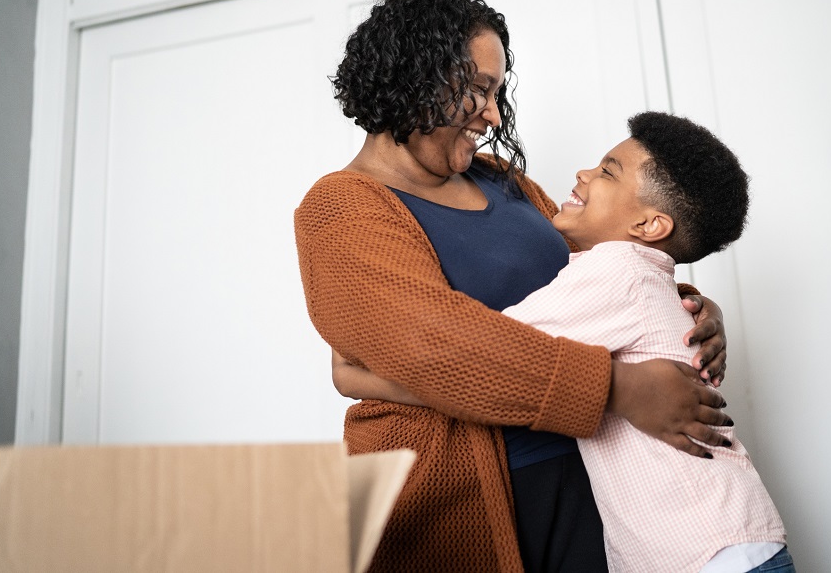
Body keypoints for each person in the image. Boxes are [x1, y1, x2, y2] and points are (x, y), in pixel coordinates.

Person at [295, 0, 732, 573]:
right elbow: (436, 344)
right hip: (461, 501)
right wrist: (619, 388)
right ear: (416, 76)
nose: (494, 114)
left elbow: (597, 271)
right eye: (478, 90)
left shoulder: (502, 180)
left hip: (591, 481)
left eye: (497, 93)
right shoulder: (342, 207)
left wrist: (683, 310)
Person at [335, 111, 795, 573]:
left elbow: (486, 351)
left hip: (707, 553)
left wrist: (353, 367)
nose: (582, 173)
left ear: (650, 226)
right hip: (727, 541)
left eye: (607, 172)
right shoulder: (630, 275)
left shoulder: (611, 271)